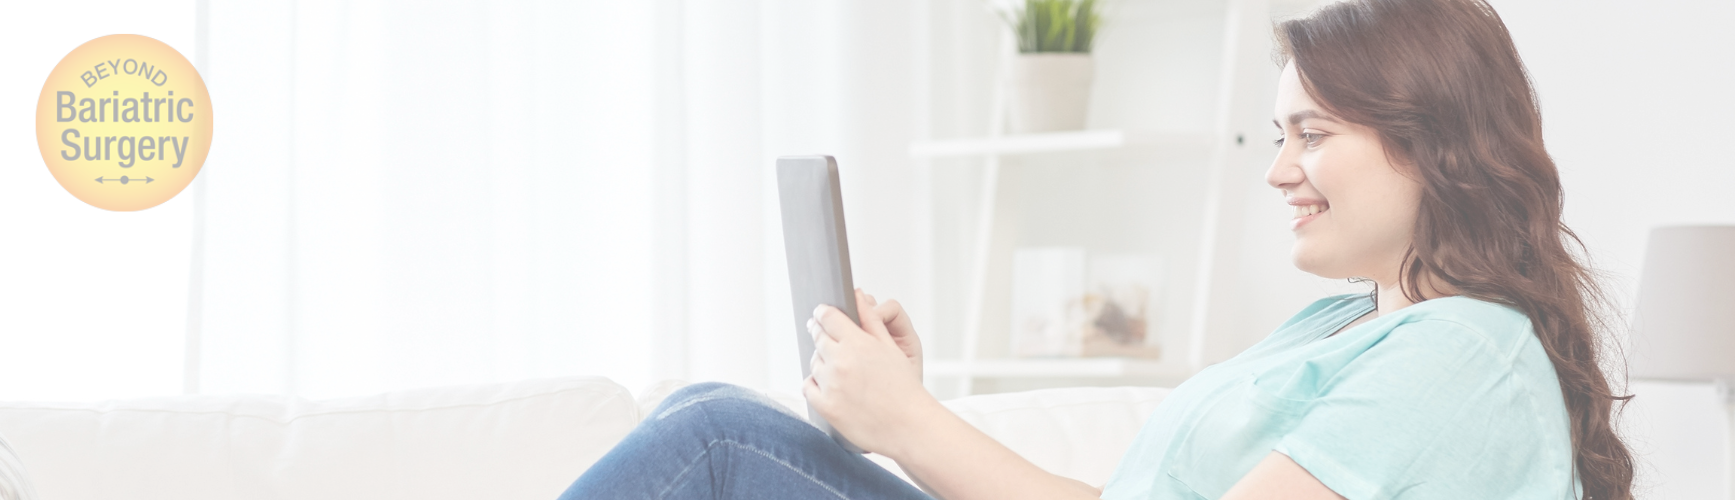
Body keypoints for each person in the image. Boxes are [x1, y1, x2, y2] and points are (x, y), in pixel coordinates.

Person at [557, 0, 1635, 498]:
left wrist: (909, 424)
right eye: (1277, 135)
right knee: (706, 413)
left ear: (1432, 142)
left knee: (715, 437)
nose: (1276, 170)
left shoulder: (1464, 354)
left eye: (1311, 135)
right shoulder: (1349, 323)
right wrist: (908, 413)